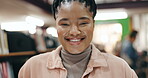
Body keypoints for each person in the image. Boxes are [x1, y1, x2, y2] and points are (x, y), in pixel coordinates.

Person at [18, 0, 138, 78]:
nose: (74, 32)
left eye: (83, 23)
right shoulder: (32, 68)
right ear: (56, 25)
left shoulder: (120, 69)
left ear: (93, 24)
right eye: (65, 24)